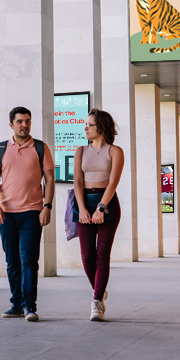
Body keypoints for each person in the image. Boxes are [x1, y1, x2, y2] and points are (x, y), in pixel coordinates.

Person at [0, 106, 55, 322]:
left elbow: (50, 180)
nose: (24, 125)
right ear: (12, 125)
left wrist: (47, 206)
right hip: (6, 213)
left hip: (32, 212)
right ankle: (16, 305)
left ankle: (29, 306)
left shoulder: (40, 148)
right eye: (20, 121)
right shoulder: (1, 148)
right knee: (12, 260)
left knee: (29, 259)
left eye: (27, 121)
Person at [74, 108, 124, 322]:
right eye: (85, 124)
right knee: (87, 256)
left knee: (102, 254)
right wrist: (82, 208)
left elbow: (113, 182)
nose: (85, 128)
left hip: (107, 203)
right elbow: (77, 182)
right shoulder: (80, 151)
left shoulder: (115, 151)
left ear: (101, 127)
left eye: (90, 124)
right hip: (84, 203)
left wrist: (101, 208)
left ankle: (96, 302)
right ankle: (100, 290)